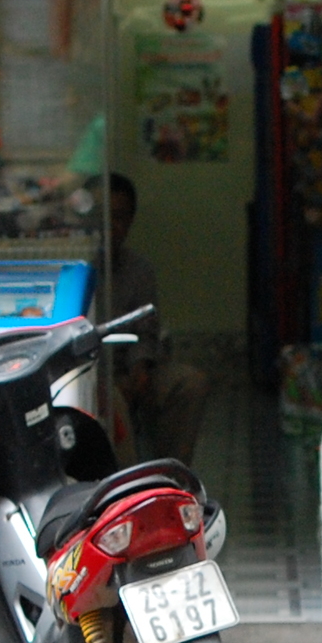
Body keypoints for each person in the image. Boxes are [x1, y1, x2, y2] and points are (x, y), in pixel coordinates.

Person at [103, 173, 208, 468]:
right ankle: (129, 492)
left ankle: (172, 475)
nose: (112, 226)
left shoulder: (138, 269)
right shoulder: (79, 268)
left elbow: (146, 329)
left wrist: (141, 367)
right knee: (114, 401)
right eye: (104, 216)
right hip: (97, 375)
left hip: (133, 367)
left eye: (120, 217)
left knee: (189, 384)